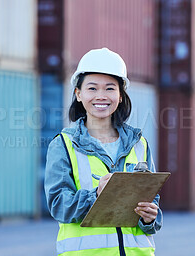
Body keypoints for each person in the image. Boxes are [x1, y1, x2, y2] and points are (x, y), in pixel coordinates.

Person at [44, 47, 162, 256]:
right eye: (92, 88)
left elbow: (152, 204)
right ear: (78, 94)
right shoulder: (64, 145)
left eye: (109, 88)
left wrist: (150, 217)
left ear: (121, 95)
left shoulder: (139, 144)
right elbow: (58, 205)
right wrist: (97, 195)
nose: (101, 96)